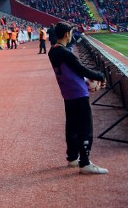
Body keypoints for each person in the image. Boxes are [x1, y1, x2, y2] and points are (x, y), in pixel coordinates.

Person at [48, 22, 108, 174]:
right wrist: (99, 75)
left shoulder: (52, 51)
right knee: (85, 128)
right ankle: (85, 163)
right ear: (67, 34)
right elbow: (80, 69)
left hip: (68, 93)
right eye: (71, 33)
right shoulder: (65, 53)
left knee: (72, 126)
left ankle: (73, 158)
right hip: (78, 93)